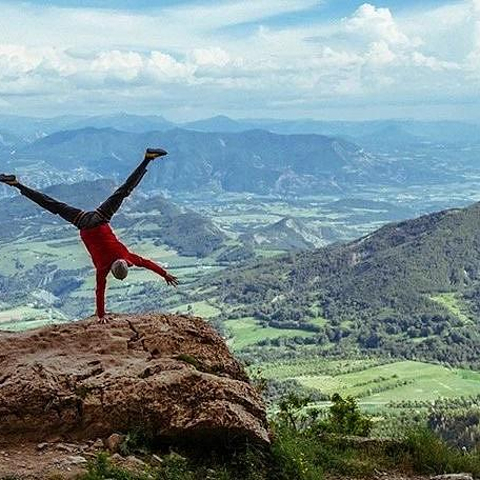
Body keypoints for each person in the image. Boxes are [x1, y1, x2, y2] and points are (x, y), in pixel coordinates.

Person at [0, 148, 179, 323]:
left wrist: (165, 274)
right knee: (52, 204)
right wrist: (101, 315)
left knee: (123, 191)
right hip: (83, 222)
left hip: (99, 217)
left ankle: (148, 158)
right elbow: (100, 291)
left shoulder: (122, 258)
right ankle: (16, 184)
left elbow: (146, 264)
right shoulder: (104, 268)